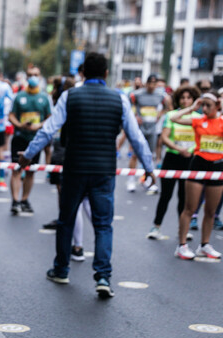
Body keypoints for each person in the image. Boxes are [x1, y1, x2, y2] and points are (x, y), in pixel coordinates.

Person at [19, 52, 155, 298]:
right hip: (104, 171)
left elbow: (48, 130)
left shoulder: (69, 96)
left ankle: (61, 269)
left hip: (74, 169)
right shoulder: (120, 99)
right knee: (103, 225)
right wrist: (149, 167)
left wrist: (27, 155)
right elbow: (136, 137)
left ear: (82, 73)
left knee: (66, 220)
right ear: (106, 73)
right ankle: (103, 276)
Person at [172, 91, 223, 260]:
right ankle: (181, 245)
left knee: (211, 210)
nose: (205, 108)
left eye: (209, 105)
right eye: (203, 105)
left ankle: (205, 245)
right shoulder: (198, 120)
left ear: (217, 106)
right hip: (199, 165)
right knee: (190, 208)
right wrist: (192, 107)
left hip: (217, 167)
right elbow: (174, 118)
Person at [147, 85, 201, 240]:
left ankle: (182, 229)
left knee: (184, 197)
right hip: (172, 159)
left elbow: (201, 139)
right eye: (182, 98)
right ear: (178, 99)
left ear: (193, 100)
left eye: (188, 98)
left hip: (190, 160)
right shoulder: (171, 115)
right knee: (166, 195)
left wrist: (190, 150)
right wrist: (178, 148)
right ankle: (156, 227)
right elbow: (164, 137)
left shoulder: (198, 117)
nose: (185, 100)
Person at [8, 66, 51, 214]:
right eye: (31, 75)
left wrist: (39, 125)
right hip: (20, 137)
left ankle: (24, 199)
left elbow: (50, 118)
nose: (33, 77)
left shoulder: (44, 97)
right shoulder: (19, 96)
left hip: (35, 139)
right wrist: (19, 124)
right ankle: (15, 201)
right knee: (16, 169)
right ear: (26, 77)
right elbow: (11, 115)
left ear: (40, 77)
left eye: (36, 75)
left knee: (31, 171)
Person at [126, 74, 170, 193]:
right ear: (146, 83)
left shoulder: (160, 95)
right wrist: (134, 116)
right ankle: (131, 179)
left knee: (150, 156)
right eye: (150, 83)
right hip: (139, 129)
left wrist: (159, 115)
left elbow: (167, 106)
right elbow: (127, 105)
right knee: (135, 154)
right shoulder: (138, 94)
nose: (151, 86)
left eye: (154, 83)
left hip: (152, 129)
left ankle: (147, 180)